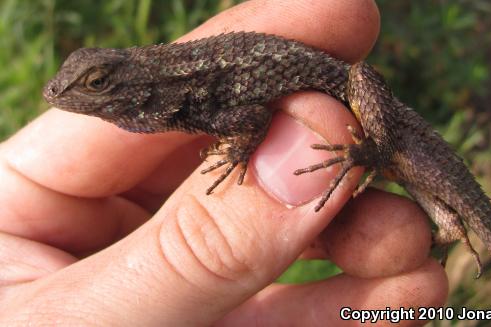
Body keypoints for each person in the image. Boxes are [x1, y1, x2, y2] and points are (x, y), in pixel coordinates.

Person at [0, 0, 447, 325]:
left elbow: (251, 117)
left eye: (95, 82)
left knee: (361, 79)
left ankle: (377, 155)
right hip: (351, 114)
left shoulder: (193, 97)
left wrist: (240, 152)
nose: (61, 93)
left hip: (363, 106)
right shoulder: (185, 96)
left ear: (141, 88)